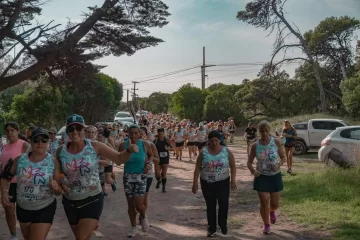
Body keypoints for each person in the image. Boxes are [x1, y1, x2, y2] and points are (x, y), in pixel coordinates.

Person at [56, 114, 138, 240]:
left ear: (83, 130)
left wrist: (128, 151)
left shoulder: (95, 146)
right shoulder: (61, 151)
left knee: (81, 238)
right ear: (67, 131)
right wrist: (62, 182)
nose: (75, 132)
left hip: (92, 198)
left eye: (78, 128)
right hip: (70, 201)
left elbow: (119, 158)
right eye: (71, 129)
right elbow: (59, 173)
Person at [1, 128, 63, 240]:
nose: (40, 142)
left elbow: (58, 192)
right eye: (36, 139)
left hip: (45, 207)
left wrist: (56, 188)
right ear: (30, 141)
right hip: (23, 208)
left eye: (44, 140)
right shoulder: (20, 160)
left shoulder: (53, 162)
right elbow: (5, 178)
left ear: (48, 142)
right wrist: (5, 193)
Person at [192, 130, 237, 237]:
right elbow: (197, 167)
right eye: (211, 141)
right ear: (208, 141)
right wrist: (195, 183)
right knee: (211, 205)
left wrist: (233, 180)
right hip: (207, 182)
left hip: (223, 182)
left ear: (220, 140)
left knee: (223, 204)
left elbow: (233, 165)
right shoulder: (204, 152)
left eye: (216, 140)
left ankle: (223, 224)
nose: (214, 143)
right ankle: (211, 228)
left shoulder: (226, 151)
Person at [247, 120, 286, 234]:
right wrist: (253, 171)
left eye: (266, 131)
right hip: (261, 176)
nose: (264, 133)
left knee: (274, 204)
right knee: (264, 201)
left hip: (274, 176)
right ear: (259, 132)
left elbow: (283, 157)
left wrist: (278, 164)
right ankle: (266, 224)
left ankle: (272, 211)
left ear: (269, 131)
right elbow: (249, 162)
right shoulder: (255, 145)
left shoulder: (276, 142)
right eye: (262, 131)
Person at [118, 124, 154, 238]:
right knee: (130, 204)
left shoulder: (145, 144)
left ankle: (143, 216)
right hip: (128, 176)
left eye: (135, 133)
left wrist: (148, 163)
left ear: (139, 134)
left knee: (139, 205)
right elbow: (118, 159)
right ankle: (133, 227)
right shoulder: (123, 145)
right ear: (128, 133)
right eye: (131, 133)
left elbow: (151, 155)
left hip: (141, 176)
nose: (133, 135)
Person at [0, 122, 31, 240]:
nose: (10, 133)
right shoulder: (4, 147)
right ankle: (13, 235)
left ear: (18, 131)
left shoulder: (24, 145)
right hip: (7, 183)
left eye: (12, 130)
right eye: (7, 131)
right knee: (9, 209)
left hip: (22, 183)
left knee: (24, 211)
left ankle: (28, 234)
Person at [154, 128, 172, 192]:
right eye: (159, 132)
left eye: (161, 132)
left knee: (163, 174)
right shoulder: (155, 140)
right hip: (157, 158)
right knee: (157, 174)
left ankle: (163, 186)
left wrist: (168, 148)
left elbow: (172, 148)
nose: (160, 134)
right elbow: (152, 148)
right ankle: (159, 180)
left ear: (163, 133)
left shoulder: (167, 140)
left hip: (165, 158)